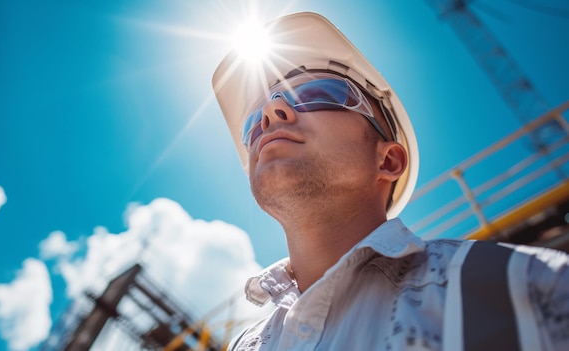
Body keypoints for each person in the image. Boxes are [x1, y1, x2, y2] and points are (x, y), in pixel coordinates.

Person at [211, 12, 569, 350]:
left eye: (316, 94)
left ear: (388, 160)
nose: (271, 115)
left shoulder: (528, 289)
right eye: (252, 123)